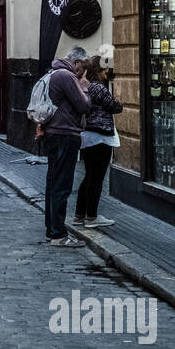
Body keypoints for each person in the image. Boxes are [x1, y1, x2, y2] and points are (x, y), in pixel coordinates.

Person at [38, 46, 92, 247]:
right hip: (64, 135)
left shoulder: (54, 73)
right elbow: (84, 106)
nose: (82, 72)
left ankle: (52, 230)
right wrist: (84, 87)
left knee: (53, 184)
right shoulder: (66, 76)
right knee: (61, 185)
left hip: (54, 133)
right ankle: (58, 235)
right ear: (75, 62)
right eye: (82, 67)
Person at [72, 56, 123, 228]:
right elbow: (115, 107)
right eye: (105, 70)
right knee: (97, 178)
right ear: (98, 70)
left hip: (87, 135)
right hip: (100, 136)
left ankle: (79, 215)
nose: (107, 73)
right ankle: (91, 217)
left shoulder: (84, 86)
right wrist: (119, 101)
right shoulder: (98, 88)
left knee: (89, 176)